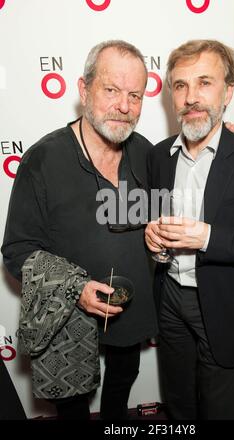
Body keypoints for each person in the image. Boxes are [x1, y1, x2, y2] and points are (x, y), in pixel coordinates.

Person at [1, 40, 158, 420]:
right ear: (83, 89)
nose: (124, 105)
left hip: (132, 308)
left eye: (135, 95)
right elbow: (17, 249)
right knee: (71, 404)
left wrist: (223, 135)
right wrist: (75, 289)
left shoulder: (147, 154)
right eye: (111, 90)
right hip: (66, 318)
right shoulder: (43, 159)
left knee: (123, 379)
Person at [145, 39, 234, 420]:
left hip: (225, 304)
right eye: (180, 85)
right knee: (178, 398)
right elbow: (154, 222)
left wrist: (207, 237)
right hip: (169, 299)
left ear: (228, 92)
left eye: (204, 82)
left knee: (218, 405)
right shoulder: (158, 155)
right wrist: (155, 243)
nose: (191, 96)